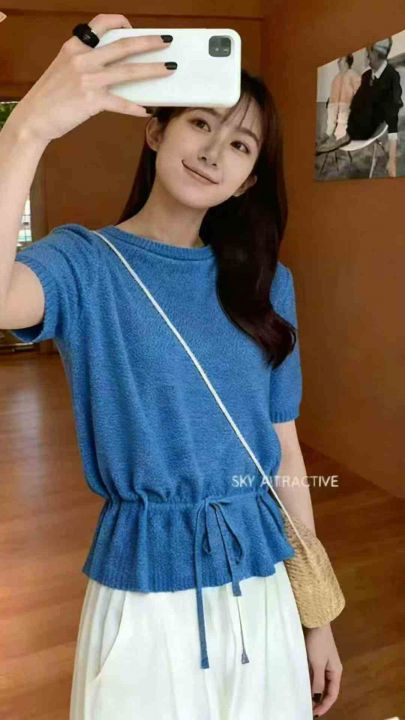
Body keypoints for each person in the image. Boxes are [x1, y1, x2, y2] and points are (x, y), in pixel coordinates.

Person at [0, 13, 343, 719]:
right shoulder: (84, 264)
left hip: (260, 577)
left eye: (240, 144)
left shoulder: (266, 285)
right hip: (143, 585)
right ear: (156, 131)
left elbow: (283, 451)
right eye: (200, 123)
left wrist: (317, 617)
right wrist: (26, 130)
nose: (215, 152)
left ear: (248, 180)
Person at [317, 38, 403, 177]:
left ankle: (341, 134)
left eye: (370, 53)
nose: (368, 56)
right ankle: (336, 134)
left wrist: (392, 159)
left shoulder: (390, 78)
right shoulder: (366, 75)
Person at [317, 54, 361, 145]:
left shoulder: (353, 74)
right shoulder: (336, 77)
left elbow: (359, 91)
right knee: (330, 121)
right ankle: (327, 134)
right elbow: (332, 91)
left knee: (342, 119)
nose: (338, 61)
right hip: (333, 103)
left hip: (345, 103)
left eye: (341, 59)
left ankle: (339, 137)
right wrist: (330, 101)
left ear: (347, 62)